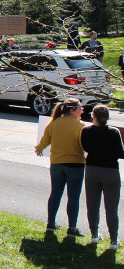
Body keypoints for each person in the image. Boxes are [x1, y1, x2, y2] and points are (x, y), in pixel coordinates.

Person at [35, 98, 86, 237]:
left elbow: (45, 140)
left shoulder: (54, 123)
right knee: (74, 197)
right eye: (80, 108)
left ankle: (50, 224)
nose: (82, 110)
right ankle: (72, 228)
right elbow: (85, 146)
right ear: (72, 110)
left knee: (55, 194)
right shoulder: (81, 125)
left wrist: (39, 148)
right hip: (76, 165)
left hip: (56, 164)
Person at [81, 105, 124, 249]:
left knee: (92, 204)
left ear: (93, 115)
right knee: (111, 208)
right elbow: (120, 153)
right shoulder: (114, 132)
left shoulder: (86, 130)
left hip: (92, 169)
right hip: (111, 171)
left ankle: (94, 235)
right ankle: (113, 240)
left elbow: (85, 147)